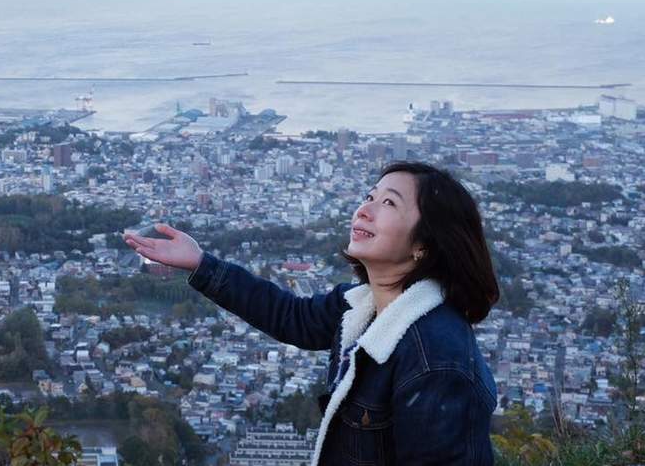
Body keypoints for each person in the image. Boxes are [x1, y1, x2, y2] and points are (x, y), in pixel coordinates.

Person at [124, 161, 500, 466]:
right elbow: (291, 316)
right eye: (370, 196)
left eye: (388, 203)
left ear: (423, 244)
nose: (364, 209)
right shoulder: (363, 305)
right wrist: (200, 264)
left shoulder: (437, 358)